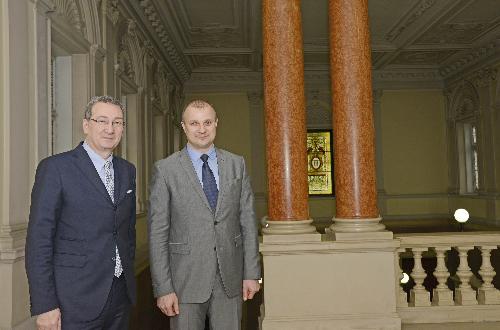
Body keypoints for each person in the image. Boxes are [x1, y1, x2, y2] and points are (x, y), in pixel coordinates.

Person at [25, 95, 136, 330]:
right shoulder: (55, 168)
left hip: (120, 296)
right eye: (102, 121)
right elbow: (39, 241)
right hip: (73, 300)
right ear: (86, 125)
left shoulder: (127, 171)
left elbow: (126, 231)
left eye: (117, 122)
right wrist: (45, 305)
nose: (110, 129)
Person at [148, 100, 261, 329]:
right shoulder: (166, 169)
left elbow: (248, 222)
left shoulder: (236, 164)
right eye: (194, 123)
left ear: (216, 124)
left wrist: (252, 273)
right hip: (184, 281)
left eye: (207, 122)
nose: (202, 129)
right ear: (184, 126)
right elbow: (158, 233)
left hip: (230, 278)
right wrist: (163, 288)